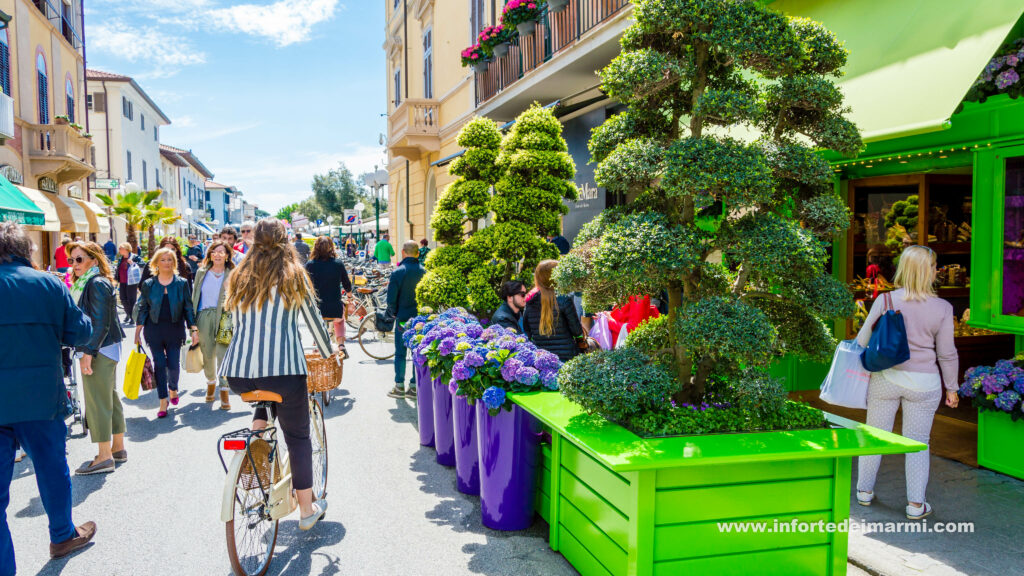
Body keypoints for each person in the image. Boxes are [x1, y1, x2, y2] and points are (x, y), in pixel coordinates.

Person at [219, 219, 334, 531]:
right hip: (283, 372)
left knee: (264, 396)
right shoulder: (293, 275)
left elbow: (229, 325)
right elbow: (314, 322)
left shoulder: (239, 274)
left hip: (239, 374)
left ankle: (256, 446)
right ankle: (307, 510)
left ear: (254, 241)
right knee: (297, 437)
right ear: (286, 242)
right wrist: (329, 352)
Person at [0, 222, 97, 573]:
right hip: (40, 396)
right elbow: (80, 330)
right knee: (51, 468)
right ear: (25, 249)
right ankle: (61, 534)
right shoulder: (46, 284)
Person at [855, 245, 959, 521]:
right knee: (917, 443)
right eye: (936, 267)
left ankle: (864, 491)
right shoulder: (943, 308)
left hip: (886, 378)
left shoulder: (886, 301)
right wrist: (952, 388)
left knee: (874, 435)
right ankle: (915, 504)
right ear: (930, 272)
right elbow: (946, 353)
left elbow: (862, 340)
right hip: (924, 384)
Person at [67, 241, 127, 475]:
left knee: (97, 401)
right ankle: (117, 448)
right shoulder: (94, 281)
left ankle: (104, 456)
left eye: (79, 259)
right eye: (71, 260)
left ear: (94, 259)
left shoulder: (95, 283)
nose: (74, 264)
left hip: (99, 348)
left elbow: (99, 323)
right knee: (109, 398)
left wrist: (88, 353)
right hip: (106, 347)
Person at [134, 247, 198, 419]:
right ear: (156, 263)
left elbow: (188, 307)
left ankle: (173, 388)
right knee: (159, 364)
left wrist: (194, 329)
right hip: (153, 329)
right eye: (162, 260)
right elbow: (143, 308)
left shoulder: (181, 283)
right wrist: (138, 331)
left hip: (174, 328)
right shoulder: (148, 285)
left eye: (170, 260)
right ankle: (163, 401)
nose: (166, 263)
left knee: (174, 365)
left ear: (174, 263)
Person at [191, 241, 234, 409]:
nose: (217, 254)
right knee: (207, 352)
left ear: (227, 255)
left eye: (221, 252)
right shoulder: (201, 273)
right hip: (204, 316)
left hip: (225, 317)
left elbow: (238, 298)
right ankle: (210, 383)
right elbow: (195, 297)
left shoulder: (232, 274)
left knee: (223, 354)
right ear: (209, 255)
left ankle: (224, 390)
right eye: (214, 251)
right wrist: (193, 325)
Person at [523, 259, 586, 362]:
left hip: (542, 359)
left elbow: (527, 331)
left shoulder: (530, 301)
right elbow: (577, 331)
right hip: (567, 357)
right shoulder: (564, 299)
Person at [385, 241, 426, 399]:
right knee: (417, 352)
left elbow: (391, 298)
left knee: (400, 353)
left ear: (403, 252)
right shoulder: (424, 271)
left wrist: (393, 313)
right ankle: (415, 387)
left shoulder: (398, 272)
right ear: (417, 253)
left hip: (402, 317)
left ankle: (399, 386)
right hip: (420, 318)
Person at [305, 236, 353, 359]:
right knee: (340, 321)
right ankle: (341, 345)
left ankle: (317, 344)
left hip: (318, 308)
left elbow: (305, 285)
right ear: (331, 247)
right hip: (335, 307)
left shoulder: (310, 265)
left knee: (318, 326)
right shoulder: (338, 263)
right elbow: (346, 282)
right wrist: (349, 295)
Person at [115, 243, 143, 326]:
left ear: (126, 249)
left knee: (131, 299)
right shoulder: (121, 259)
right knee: (123, 298)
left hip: (132, 282)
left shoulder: (134, 257)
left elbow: (142, 264)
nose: (119, 250)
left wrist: (133, 263)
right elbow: (118, 270)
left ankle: (132, 317)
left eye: (121, 248)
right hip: (122, 281)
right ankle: (129, 314)